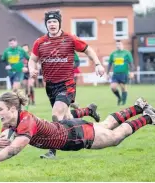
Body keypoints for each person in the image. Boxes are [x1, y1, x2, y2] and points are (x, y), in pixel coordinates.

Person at [0, 90, 155, 165]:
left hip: (75, 135)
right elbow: (1, 142)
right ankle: (138, 106)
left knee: (114, 138)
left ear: (12, 109)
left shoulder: (26, 121)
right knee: (105, 125)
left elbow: (13, 150)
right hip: (69, 128)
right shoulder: (11, 121)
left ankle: (147, 117)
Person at [28, 10, 105, 158]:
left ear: (59, 23)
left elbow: (88, 50)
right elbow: (32, 59)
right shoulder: (40, 42)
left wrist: (97, 64)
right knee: (67, 119)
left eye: (54, 22)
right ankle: (90, 117)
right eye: (49, 22)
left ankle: (52, 150)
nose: (52, 24)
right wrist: (32, 69)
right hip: (50, 86)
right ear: (46, 24)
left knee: (56, 115)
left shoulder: (69, 38)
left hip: (66, 84)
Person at [107, 40, 134, 106]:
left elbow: (131, 64)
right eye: (117, 44)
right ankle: (119, 98)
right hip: (115, 74)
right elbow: (110, 64)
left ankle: (123, 102)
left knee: (123, 88)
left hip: (124, 73)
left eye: (119, 44)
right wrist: (107, 73)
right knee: (113, 87)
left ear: (122, 45)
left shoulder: (127, 53)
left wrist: (132, 72)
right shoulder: (113, 54)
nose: (118, 46)